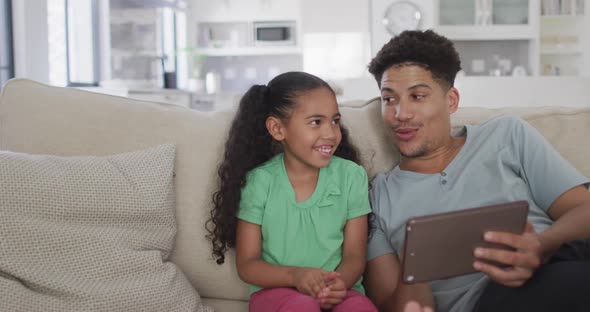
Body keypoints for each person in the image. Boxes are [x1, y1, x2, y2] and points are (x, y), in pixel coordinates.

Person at [363, 30, 590, 312]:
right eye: (389, 99)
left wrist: (541, 245)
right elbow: (389, 304)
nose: (401, 114)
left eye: (418, 96)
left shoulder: (506, 135)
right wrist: (417, 265)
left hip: (559, 264)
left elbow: (583, 211)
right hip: (491, 300)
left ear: (451, 101)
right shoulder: (377, 197)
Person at [206, 71, 378, 311]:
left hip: (340, 290)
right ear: (277, 129)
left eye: (335, 120)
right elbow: (248, 265)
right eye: (316, 122)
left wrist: (338, 285)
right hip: (277, 294)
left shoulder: (351, 176)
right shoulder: (259, 182)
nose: (331, 133)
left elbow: (354, 256)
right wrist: (296, 276)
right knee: (302, 307)